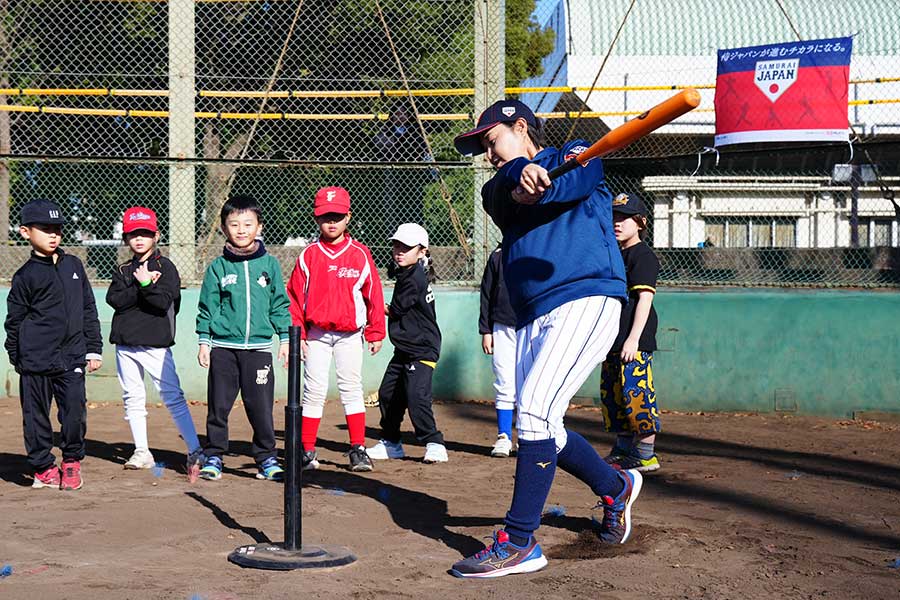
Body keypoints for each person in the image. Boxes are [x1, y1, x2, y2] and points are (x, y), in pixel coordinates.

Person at [449, 100, 642, 578]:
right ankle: (615, 487)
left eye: (492, 141)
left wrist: (546, 173)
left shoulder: (580, 153)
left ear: (521, 126)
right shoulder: (495, 187)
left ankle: (519, 541)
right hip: (536, 313)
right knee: (545, 427)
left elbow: (574, 179)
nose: (488, 154)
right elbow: (508, 193)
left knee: (531, 412)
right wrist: (523, 177)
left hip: (587, 296)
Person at [5, 199, 103, 491]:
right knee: (35, 417)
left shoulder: (74, 265)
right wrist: (18, 356)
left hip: (72, 356)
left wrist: (93, 347)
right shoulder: (25, 276)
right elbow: (14, 320)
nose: (53, 235)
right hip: (35, 359)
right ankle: (43, 467)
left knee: (74, 411)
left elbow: (88, 307)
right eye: (45, 229)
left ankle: (71, 461)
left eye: (57, 229)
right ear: (25, 232)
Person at [287, 187, 386, 473]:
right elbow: (295, 299)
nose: (332, 222)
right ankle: (306, 450)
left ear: (348, 217)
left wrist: (376, 331)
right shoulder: (309, 256)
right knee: (313, 390)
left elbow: (373, 294)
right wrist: (299, 335)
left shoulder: (359, 254)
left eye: (338, 216)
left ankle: (358, 448)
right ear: (317, 219)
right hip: (316, 334)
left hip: (350, 334)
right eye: (325, 216)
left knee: (351, 388)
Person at [195, 195, 291, 482]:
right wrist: (204, 341)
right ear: (224, 228)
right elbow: (207, 307)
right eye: (234, 224)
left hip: (259, 350)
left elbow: (279, 304)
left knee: (260, 407)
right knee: (219, 406)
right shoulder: (218, 268)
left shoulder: (270, 265)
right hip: (224, 349)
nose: (241, 230)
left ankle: (266, 458)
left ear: (259, 226)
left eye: (248, 224)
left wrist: (285, 339)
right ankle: (214, 455)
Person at [106, 207, 204, 482]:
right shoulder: (124, 269)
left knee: (172, 397)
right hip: (125, 343)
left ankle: (195, 449)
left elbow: (163, 303)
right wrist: (143, 287)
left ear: (156, 235)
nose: (139, 239)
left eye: (145, 233)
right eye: (134, 234)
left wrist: (146, 284)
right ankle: (141, 451)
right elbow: (115, 300)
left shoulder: (166, 267)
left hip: (155, 345)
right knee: (133, 398)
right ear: (126, 238)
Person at [366, 223, 447, 464]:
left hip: (422, 349)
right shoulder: (408, 273)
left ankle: (435, 443)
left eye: (407, 247)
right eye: (397, 245)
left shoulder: (414, 277)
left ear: (422, 251)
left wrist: (367, 301)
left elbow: (395, 310)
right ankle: (391, 443)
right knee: (388, 394)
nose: (399, 251)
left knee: (416, 396)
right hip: (405, 348)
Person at [600, 192, 662, 472]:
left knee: (636, 393)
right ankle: (623, 449)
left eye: (625, 217)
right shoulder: (612, 255)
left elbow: (645, 300)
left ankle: (646, 454)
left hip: (633, 338)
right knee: (614, 395)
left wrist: (633, 339)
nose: (617, 222)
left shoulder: (643, 255)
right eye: (614, 216)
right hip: (612, 337)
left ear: (640, 223)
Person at [478, 241, 517, 458]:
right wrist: (486, 329)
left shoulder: (538, 248)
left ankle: (527, 437)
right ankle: (504, 436)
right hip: (502, 326)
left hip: (533, 326)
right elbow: (487, 293)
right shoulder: (498, 255)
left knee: (530, 383)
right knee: (504, 380)